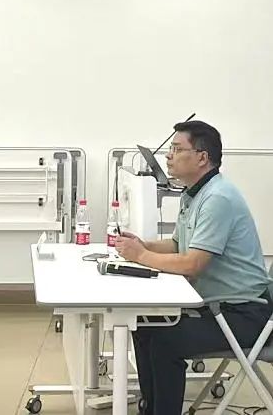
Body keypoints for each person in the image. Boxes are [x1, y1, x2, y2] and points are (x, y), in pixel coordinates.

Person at [115, 120, 271, 415]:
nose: (168, 156)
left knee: (165, 342)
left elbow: (192, 264)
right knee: (144, 324)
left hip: (244, 314)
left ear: (202, 157)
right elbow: (178, 245)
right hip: (217, 307)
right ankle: (151, 408)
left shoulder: (218, 198)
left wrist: (140, 256)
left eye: (177, 149)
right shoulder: (194, 194)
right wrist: (143, 245)